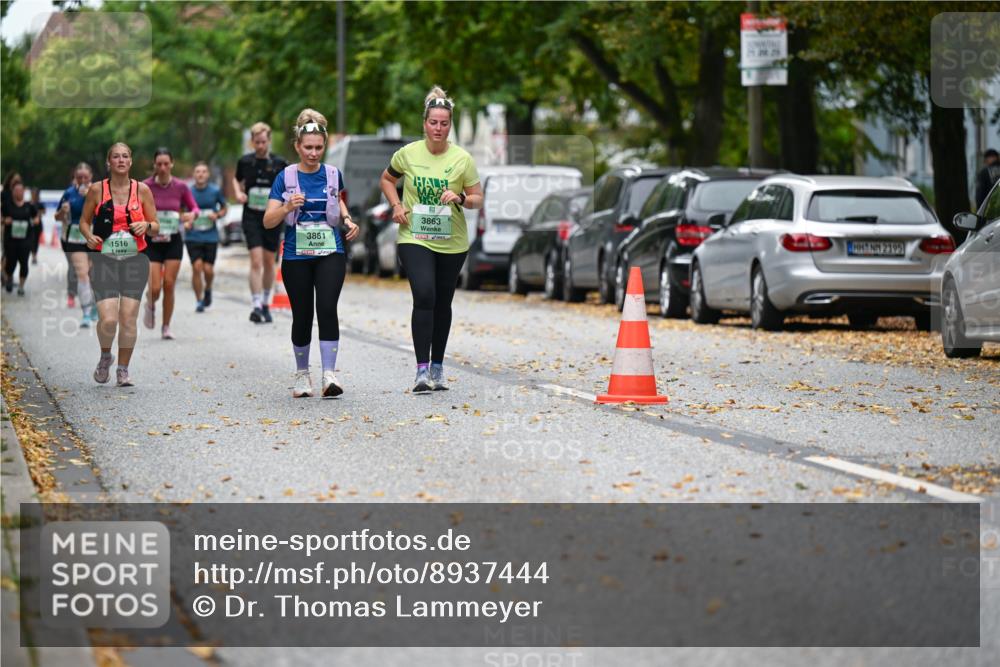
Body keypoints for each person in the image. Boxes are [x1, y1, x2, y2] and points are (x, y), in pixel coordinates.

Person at [379, 86, 483, 392]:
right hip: (414, 236)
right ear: (424, 123)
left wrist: (462, 197)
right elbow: (387, 179)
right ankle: (421, 370)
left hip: (452, 240)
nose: (438, 128)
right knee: (424, 294)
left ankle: (438, 366)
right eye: (433, 122)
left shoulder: (462, 159)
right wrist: (396, 205)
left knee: (442, 301)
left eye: (444, 123)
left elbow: (478, 198)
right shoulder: (408, 153)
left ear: (450, 125)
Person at [262, 109, 359, 398]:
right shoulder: (285, 177)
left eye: (318, 148)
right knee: (302, 315)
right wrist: (287, 207)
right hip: (296, 255)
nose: (313, 153)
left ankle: (329, 375)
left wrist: (348, 219)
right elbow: (268, 220)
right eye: (308, 148)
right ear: (297, 147)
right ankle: (302, 375)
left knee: (327, 308)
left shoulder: (332, 174)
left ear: (324, 146)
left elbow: (339, 201)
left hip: (331, 250)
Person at [79, 142, 157, 387]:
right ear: (109, 162)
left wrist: (146, 226)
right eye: (116, 157)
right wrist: (89, 237)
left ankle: (123, 369)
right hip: (105, 260)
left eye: (125, 156)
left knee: (128, 318)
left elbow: (156, 225)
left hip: (136, 260)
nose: (121, 160)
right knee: (109, 319)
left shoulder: (142, 190)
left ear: (131, 162)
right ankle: (105, 356)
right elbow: (83, 221)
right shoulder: (96, 190)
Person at [233, 122, 288, 324]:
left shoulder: (280, 163)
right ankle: (256, 304)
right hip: (251, 217)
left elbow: (289, 184)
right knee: (255, 260)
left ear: (269, 141)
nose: (260, 146)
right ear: (252, 142)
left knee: (268, 261)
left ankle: (266, 302)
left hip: (272, 217)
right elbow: (236, 180)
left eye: (263, 142)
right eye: (257, 142)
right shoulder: (245, 162)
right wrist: (239, 193)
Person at [143, 148, 198, 339]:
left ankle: (166, 326)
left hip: (173, 240)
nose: (163, 167)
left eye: (166, 164)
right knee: (155, 287)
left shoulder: (181, 187)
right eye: (159, 164)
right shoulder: (145, 186)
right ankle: (150, 303)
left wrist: (192, 215)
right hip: (152, 242)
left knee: (169, 284)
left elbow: (194, 208)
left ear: (172, 164)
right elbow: (134, 208)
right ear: (154, 165)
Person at [56, 163, 97, 327]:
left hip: (94, 237)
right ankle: (86, 312)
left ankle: (94, 305)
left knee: (94, 275)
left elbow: (108, 213)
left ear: (91, 177)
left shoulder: (98, 191)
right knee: (82, 274)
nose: (82, 180)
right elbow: (57, 217)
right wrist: (62, 212)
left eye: (85, 177)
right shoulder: (69, 193)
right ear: (75, 177)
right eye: (79, 177)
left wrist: (91, 198)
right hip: (75, 238)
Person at [186, 162, 227, 312]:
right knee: (197, 268)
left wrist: (216, 215)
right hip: (193, 236)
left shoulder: (215, 191)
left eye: (204, 171)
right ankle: (199, 300)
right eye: (198, 172)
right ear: (194, 174)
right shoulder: (188, 192)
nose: (201, 174)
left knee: (208, 269)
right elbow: (182, 211)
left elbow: (224, 208)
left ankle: (208, 289)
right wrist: (186, 221)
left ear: (208, 174)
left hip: (210, 236)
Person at [1, 180, 40, 295]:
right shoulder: (7, 205)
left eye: (21, 190)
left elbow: (36, 217)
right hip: (10, 239)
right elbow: (1, 218)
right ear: (13, 192)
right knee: (10, 262)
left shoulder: (29, 206)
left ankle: (21, 286)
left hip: (26, 239)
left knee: (24, 262)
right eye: (16, 190)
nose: (19, 193)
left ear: (24, 192)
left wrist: (36, 220)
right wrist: (4, 220)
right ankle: (9, 278)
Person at [29, 187, 45, 265]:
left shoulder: (40, 204)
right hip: (30, 225)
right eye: (33, 194)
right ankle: (32, 254)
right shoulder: (29, 203)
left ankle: (34, 255)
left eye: (35, 194)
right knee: (31, 240)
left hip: (38, 225)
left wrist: (38, 214)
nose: (34, 195)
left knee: (36, 241)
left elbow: (43, 212)